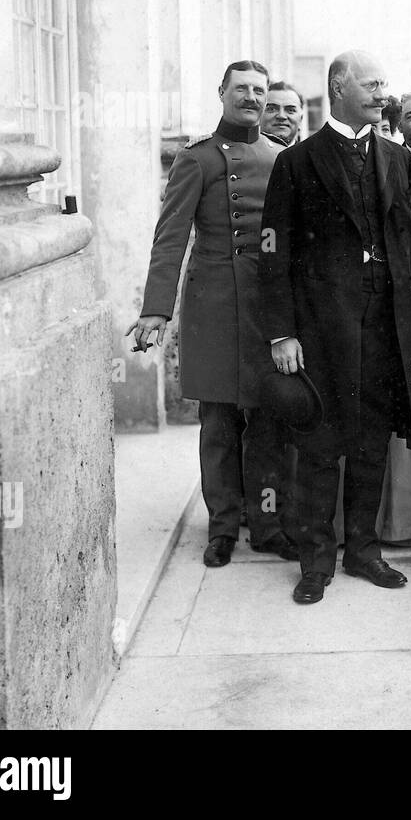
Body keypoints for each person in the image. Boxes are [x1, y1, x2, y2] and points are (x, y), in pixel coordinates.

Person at [259, 49, 411, 605]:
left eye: (385, 83)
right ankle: (316, 560)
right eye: (372, 84)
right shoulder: (297, 162)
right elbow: (274, 254)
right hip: (320, 330)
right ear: (339, 87)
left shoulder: (397, 158)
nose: (384, 94)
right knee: (319, 444)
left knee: (372, 442)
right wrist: (281, 333)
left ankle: (364, 551)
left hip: (388, 326)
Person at [129, 61, 297, 568]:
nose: (251, 97)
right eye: (241, 88)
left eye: (259, 91)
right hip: (213, 305)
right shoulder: (197, 159)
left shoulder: (281, 158)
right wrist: (156, 311)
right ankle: (222, 529)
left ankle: (267, 527)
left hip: (266, 307)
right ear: (222, 92)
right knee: (219, 421)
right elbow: (171, 235)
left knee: (267, 419)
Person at [262, 81, 304, 146]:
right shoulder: (244, 154)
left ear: (301, 119)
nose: (281, 116)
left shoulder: (313, 156)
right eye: (272, 109)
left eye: (290, 110)